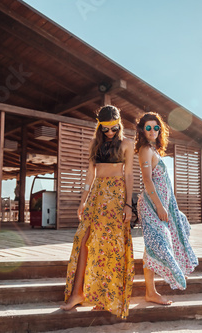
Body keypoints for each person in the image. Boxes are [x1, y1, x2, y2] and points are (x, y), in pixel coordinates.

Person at [60, 105, 135, 319]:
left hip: (117, 196)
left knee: (111, 246)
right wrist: (82, 201)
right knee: (82, 240)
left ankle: (106, 298)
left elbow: (128, 175)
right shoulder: (95, 144)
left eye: (113, 128)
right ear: (99, 127)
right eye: (105, 129)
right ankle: (78, 293)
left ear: (119, 124)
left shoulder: (127, 144)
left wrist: (129, 204)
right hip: (97, 195)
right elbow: (89, 176)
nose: (110, 133)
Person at [135, 112, 199, 305]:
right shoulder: (145, 150)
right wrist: (160, 207)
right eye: (148, 128)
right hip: (152, 206)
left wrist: (169, 208)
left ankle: (151, 291)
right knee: (157, 244)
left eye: (156, 128)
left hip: (163, 206)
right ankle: (151, 292)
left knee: (161, 241)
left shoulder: (154, 150)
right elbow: (147, 181)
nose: (153, 131)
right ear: (142, 130)